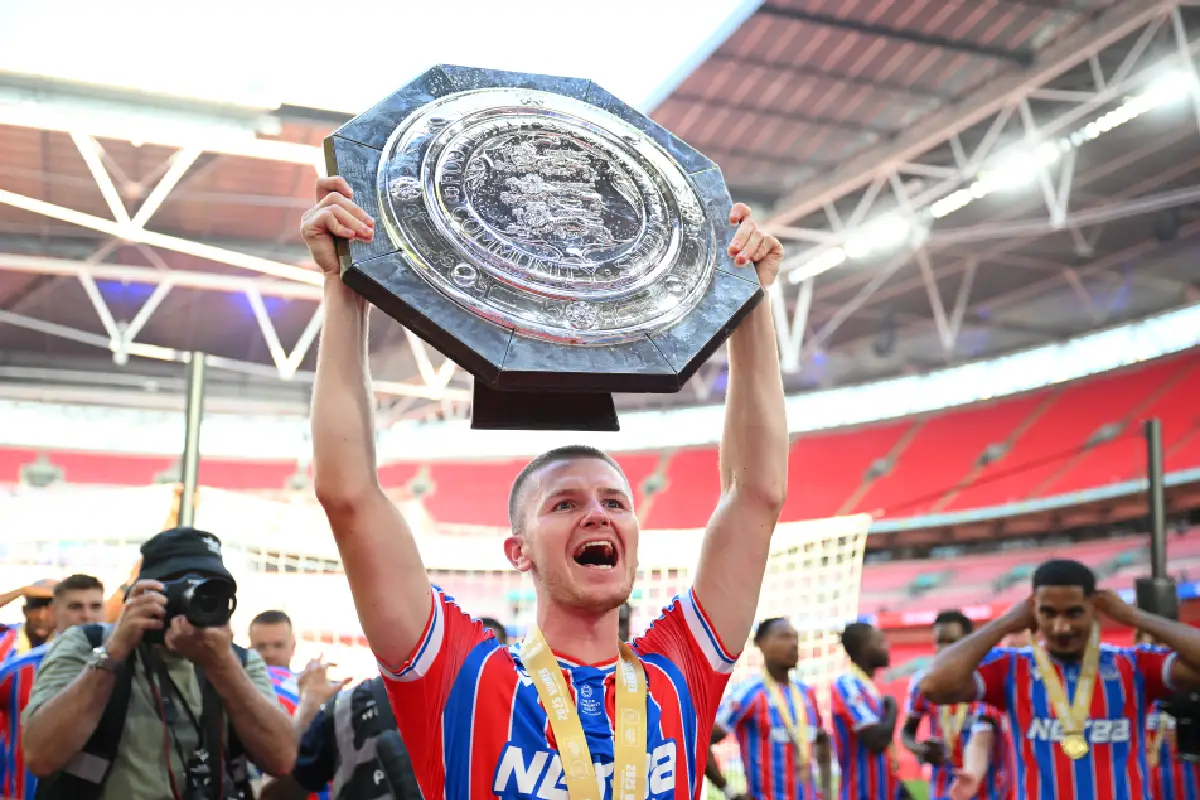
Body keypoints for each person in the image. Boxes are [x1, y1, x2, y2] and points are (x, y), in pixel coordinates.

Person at [302, 175, 788, 800]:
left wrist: (748, 298)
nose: (598, 515)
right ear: (519, 549)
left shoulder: (681, 671)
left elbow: (755, 496)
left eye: (616, 502)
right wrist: (346, 283)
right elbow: (349, 495)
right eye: (565, 504)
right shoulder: (462, 675)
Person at [21, 527, 296, 799]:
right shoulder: (87, 645)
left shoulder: (237, 662)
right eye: (178, 589)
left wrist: (222, 667)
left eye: (208, 592)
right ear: (141, 592)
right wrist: (115, 651)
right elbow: (40, 756)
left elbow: (282, 759)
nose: (191, 604)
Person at [918, 558, 1200, 800]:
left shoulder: (1134, 664)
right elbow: (934, 685)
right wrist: (1004, 622)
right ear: (1032, 609)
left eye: (1074, 612)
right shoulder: (1010, 668)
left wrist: (1135, 616)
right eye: (1048, 612)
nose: (1060, 627)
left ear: (1094, 607)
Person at [0, 574, 107, 800]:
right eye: (75, 607)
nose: (87, 615)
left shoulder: (129, 666)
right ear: (55, 613)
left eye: (95, 606)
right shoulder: (16, 670)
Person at [706, 617, 833, 800]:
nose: (794, 643)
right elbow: (702, 740)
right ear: (761, 643)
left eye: (796, 637)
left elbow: (822, 739)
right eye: (784, 636)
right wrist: (729, 792)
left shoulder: (807, 693)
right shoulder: (748, 693)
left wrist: (827, 793)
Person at [902, 610, 1009, 800]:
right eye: (939, 641)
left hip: (988, 789)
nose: (944, 648)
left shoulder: (988, 682)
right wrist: (921, 749)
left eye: (951, 641)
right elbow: (907, 732)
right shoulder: (925, 683)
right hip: (943, 789)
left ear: (968, 642)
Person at [260, 675, 421, 800]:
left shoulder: (345, 706)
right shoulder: (345, 707)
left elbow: (275, 792)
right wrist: (308, 707)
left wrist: (308, 704)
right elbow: (278, 788)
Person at [830, 622, 904, 800]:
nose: (887, 646)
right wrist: (893, 709)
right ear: (863, 648)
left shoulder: (869, 688)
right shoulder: (848, 684)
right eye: (879, 641)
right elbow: (876, 739)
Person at [1138, 630, 1200, 800]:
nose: (1162, 653)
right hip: (1145, 789)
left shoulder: (1194, 696)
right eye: (1155, 644)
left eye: (1169, 644)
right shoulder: (1127, 696)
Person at [0, 579, 58, 661]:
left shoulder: (67, 643)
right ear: (24, 610)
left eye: (51, 609)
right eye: (35, 608)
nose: (41, 617)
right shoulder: (5, 636)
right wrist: (21, 591)